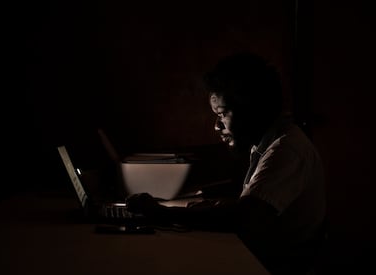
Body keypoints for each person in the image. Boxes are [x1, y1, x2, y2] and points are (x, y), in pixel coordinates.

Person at [126, 52, 327, 275]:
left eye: (221, 114)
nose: (216, 126)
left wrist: (162, 213)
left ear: (250, 109)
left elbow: (245, 218)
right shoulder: (269, 144)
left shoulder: (287, 150)